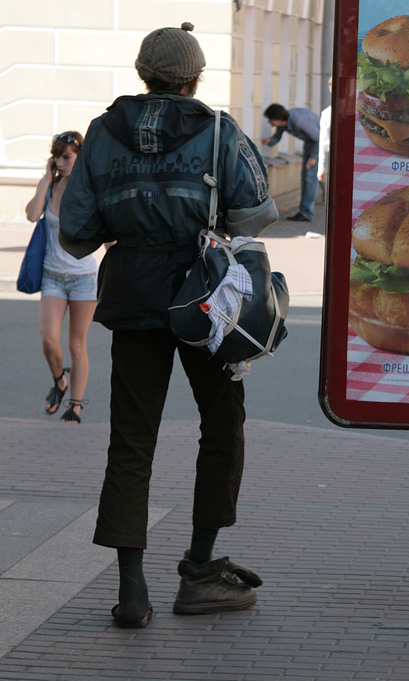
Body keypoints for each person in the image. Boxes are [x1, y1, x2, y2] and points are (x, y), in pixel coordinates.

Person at [59, 22, 277, 628]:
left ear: (142, 73)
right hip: (205, 300)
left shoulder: (101, 134)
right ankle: (201, 573)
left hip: (130, 294)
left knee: (132, 438)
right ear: (194, 77)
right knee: (223, 427)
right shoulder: (218, 131)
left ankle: (132, 592)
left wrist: (132, 222)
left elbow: (76, 235)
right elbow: (257, 214)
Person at [25, 131, 97, 424]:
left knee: (76, 346)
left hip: (83, 277)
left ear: (78, 158)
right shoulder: (52, 186)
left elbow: (105, 233)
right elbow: (32, 215)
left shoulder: (87, 190)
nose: (60, 161)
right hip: (53, 276)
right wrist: (45, 178)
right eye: (57, 156)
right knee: (48, 340)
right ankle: (59, 381)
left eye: (66, 156)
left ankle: (75, 407)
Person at [262, 103, 319, 222]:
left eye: (270, 119)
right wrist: (270, 141)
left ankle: (307, 213)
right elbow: (277, 136)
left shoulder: (298, 122)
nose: (269, 122)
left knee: (309, 178)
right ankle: (304, 211)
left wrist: (313, 157)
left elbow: (317, 137)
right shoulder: (284, 123)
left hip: (316, 145)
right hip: (310, 143)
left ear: (277, 118)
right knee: (306, 178)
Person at [317, 78, 332, 187]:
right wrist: (321, 167)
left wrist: (321, 167)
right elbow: (324, 142)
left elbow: (325, 142)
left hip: (335, 161)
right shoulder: (327, 113)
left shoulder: (327, 113)